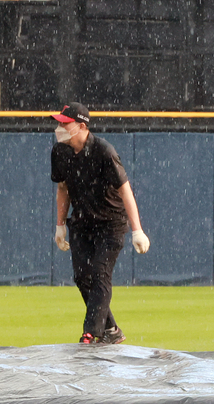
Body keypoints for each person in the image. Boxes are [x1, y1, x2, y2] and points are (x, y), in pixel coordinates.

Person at [50, 103, 150, 345]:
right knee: (82, 276)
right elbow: (62, 188)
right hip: (82, 223)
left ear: (82, 126)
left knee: (99, 273)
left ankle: (91, 332)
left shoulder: (104, 151)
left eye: (65, 122)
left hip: (110, 224)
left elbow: (125, 191)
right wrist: (60, 225)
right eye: (60, 122)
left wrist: (137, 230)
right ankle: (111, 329)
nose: (59, 127)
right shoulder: (60, 152)